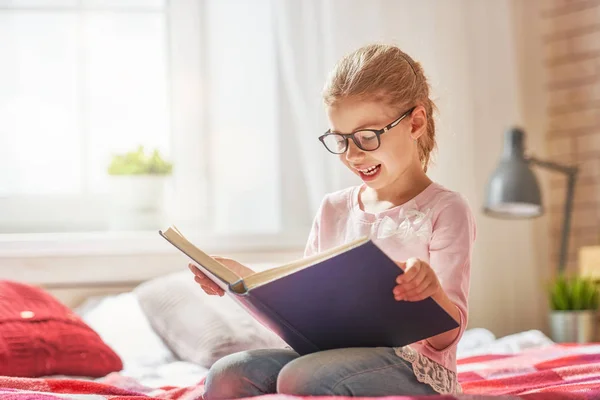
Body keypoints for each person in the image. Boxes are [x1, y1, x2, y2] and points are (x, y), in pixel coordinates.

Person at [189, 43, 476, 398]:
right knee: (229, 373)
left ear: (415, 123)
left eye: (367, 137)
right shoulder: (333, 208)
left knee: (302, 378)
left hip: (412, 368)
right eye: (340, 140)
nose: (353, 155)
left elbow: (448, 336)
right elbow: (306, 304)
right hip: (327, 356)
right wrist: (240, 278)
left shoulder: (445, 208)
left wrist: (430, 291)